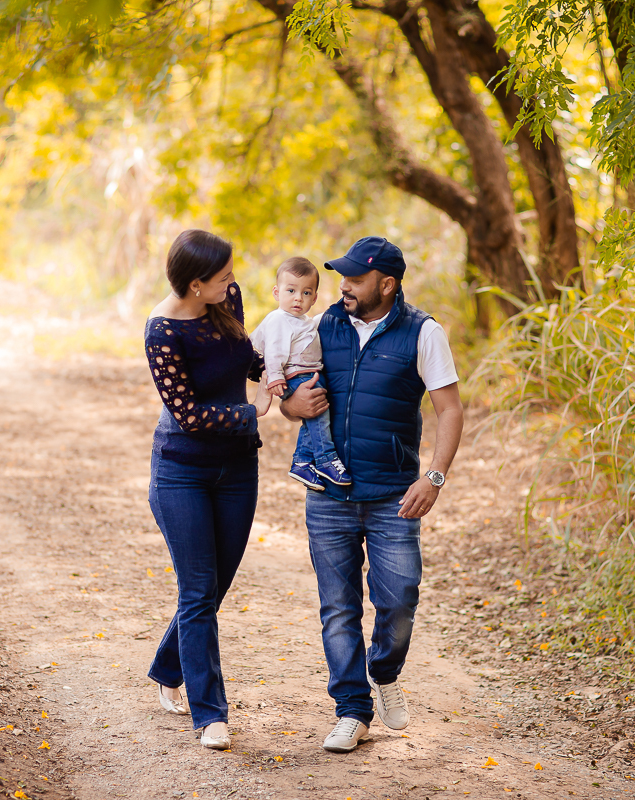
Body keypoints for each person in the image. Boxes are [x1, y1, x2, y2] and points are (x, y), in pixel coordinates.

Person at [279, 236, 464, 753]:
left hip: (394, 498)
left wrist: (434, 477)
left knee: (400, 599)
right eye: (341, 277)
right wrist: (295, 405)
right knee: (338, 608)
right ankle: (352, 711)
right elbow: (292, 396)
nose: (342, 287)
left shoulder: (424, 333)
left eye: (354, 279)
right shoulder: (324, 326)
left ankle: (384, 672)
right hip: (328, 494)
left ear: (387, 284)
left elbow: (449, 410)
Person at [143, 229, 263, 751]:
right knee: (197, 592)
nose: (232, 282)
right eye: (223, 276)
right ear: (195, 285)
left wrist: (284, 377)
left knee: (212, 590)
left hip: (238, 468)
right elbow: (188, 414)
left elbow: (248, 359)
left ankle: (170, 663)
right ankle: (209, 713)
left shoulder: (225, 301)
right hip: (181, 472)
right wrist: (253, 410)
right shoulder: (162, 331)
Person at [250, 257, 352, 490]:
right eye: (291, 290)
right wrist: (274, 377)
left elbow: (311, 328)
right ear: (277, 292)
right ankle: (325, 459)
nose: (298, 298)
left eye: (306, 293)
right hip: (295, 377)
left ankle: (303, 462)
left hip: (309, 375)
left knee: (314, 414)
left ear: (314, 298)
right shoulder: (279, 319)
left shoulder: (301, 321)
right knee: (318, 415)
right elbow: (274, 351)